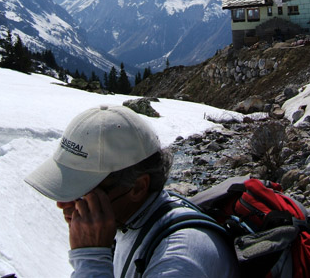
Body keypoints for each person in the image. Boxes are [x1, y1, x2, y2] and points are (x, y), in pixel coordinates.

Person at [25, 105, 238, 278]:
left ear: (137, 187)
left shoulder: (180, 259)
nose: (62, 203)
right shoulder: (132, 220)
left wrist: (91, 261)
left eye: (80, 191)